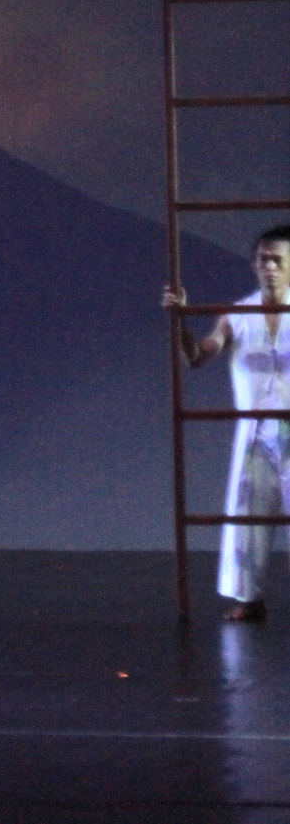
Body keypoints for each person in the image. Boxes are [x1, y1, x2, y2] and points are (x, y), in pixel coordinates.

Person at [180, 225, 290, 621]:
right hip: (257, 432)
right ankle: (250, 598)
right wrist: (181, 320)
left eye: (278, 260)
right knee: (249, 515)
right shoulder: (238, 316)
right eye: (263, 260)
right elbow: (198, 355)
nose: (270, 268)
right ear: (253, 265)